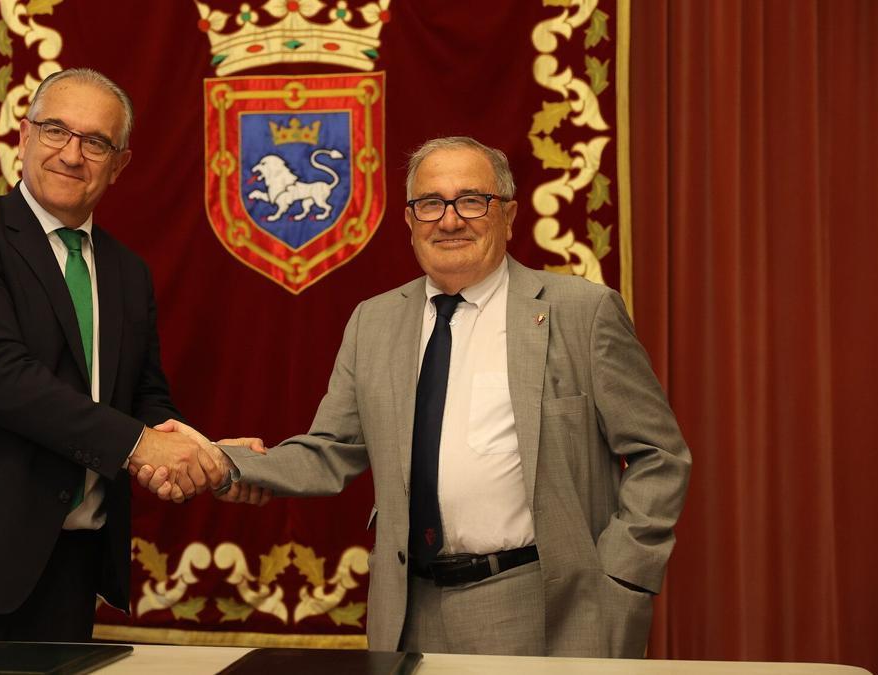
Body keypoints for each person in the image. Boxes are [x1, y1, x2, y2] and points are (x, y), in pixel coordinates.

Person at [145, 136, 691, 657]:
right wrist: (222, 463)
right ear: (409, 220)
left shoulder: (582, 311)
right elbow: (331, 450)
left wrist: (622, 576)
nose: (449, 220)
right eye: (430, 203)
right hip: (409, 611)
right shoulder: (374, 321)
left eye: (471, 201)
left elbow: (660, 455)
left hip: (548, 604)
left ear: (508, 213)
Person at [0, 68, 230, 641]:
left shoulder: (128, 272)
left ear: (119, 163)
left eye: (96, 141)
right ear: (24, 137)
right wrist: (138, 445)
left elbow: (142, 397)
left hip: (66, 568)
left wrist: (206, 453)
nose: (72, 155)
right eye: (56, 130)